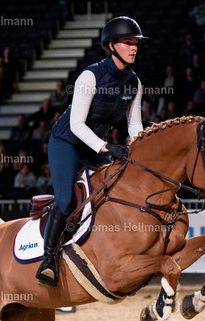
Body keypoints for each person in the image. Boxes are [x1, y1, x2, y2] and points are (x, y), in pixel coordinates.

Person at [35, 16, 146, 288]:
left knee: (116, 189)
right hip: (67, 141)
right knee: (65, 201)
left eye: (135, 43)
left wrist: (142, 149)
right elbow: (76, 124)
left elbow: (134, 126)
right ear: (112, 45)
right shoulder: (90, 76)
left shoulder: (134, 83)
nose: (133, 47)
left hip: (94, 145)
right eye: (127, 42)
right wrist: (107, 147)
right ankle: (48, 261)